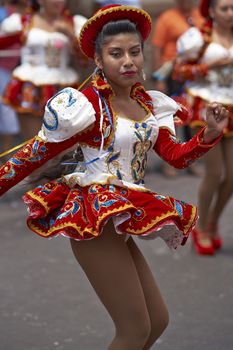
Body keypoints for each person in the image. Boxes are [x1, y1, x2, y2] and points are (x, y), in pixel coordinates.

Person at [0, 4, 229, 349]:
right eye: (116, 53)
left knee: (157, 322)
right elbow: (33, 156)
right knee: (134, 330)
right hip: (95, 219)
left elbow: (176, 158)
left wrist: (208, 135)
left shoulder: (149, 104)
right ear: (98, 60)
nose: (128, 61)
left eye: (134, 52)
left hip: (121, 215)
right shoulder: (88, 106)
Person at [173, 0, 233, 255]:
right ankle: (202, 227)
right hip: (207, 107)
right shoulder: (196, 38)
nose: (230, 14)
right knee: (215, 172)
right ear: (210, 10)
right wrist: (208, 67)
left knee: (232, 177)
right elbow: (178, 72)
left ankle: (212, 222)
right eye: (224, 8)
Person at [0, 0, 87, 141]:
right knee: (32, 144)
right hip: (30, 86)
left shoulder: (74, 23)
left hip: (64, 88)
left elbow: (84, 61)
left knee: (62, 145)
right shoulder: (24, 22)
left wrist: (70, 35)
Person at [151, 0, 204, 177]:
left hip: (193, 76)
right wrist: (159, 77)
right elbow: (157, 49)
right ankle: (170, 162)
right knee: (171, 119)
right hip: (171, 75)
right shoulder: (167, 18)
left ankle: (191, 160)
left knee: (192, 118)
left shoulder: (200, 16)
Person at [0, 0, 21, 159]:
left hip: (9, 70)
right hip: (4, 70)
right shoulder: (12, 17)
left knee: (6, 109)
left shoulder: (21, 16)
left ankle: (5, 158)